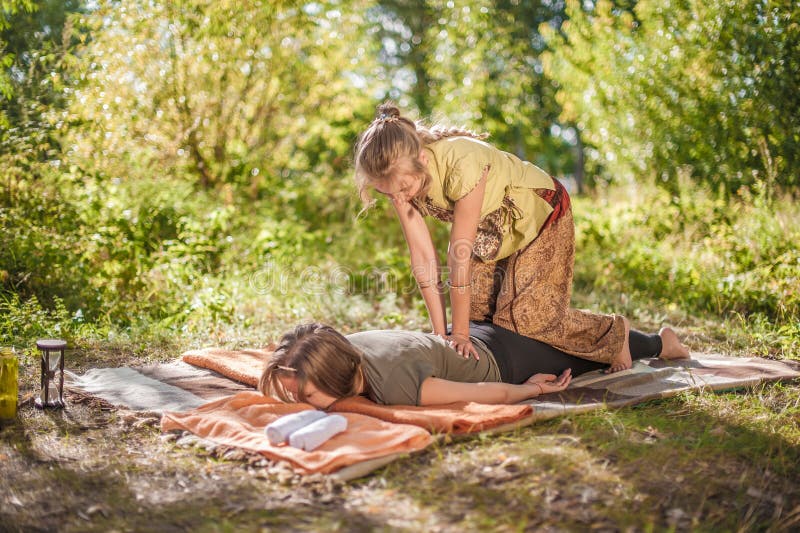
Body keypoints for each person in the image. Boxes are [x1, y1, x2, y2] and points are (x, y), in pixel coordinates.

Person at [354, 103, 647, 372]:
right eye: (386, 193)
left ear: (421, 160)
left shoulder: (461, 163)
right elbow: (422, 257)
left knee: (525, 319)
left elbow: (459, 256)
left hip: (539, 217)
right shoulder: (397, 179)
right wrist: (441, 332)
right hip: (492, 235)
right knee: (480, 317)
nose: (398, 198)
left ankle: (614, 333)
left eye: (403, 189)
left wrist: (459, 334)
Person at [258, 321, 690, 409]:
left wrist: (536, 390)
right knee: (565, 333)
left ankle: (660, 341)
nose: (302, 402)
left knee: (579, 352)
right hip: (474, 335)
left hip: (506, 360)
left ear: (337, 376)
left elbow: (485, 394)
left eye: (308, 396)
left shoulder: (396, 385)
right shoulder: (342, 346)